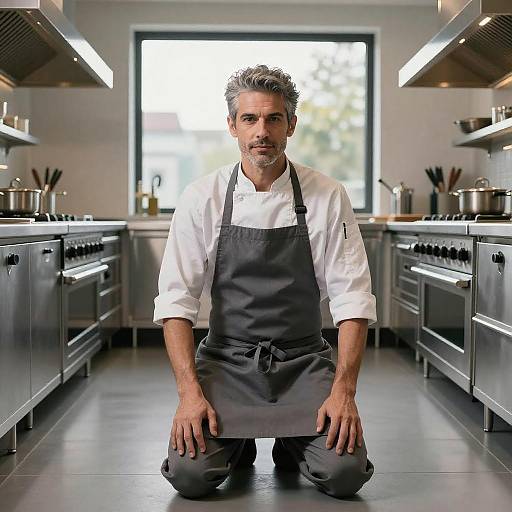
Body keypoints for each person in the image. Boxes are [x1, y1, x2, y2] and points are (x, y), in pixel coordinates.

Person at [153, 64, 376, 500]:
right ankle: (237, 445)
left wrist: (343, 392)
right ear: (232, 125)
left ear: (291, 124)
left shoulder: (327, 195)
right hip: (227, 361)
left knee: (345, 474)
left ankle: (292, 447)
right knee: (191, 477)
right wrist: (189, 394)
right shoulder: (203, 197)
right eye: (250, 119)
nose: (262, 131)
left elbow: (353, 301)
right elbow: (176, 303)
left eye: (274, 118)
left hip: (304, 362)